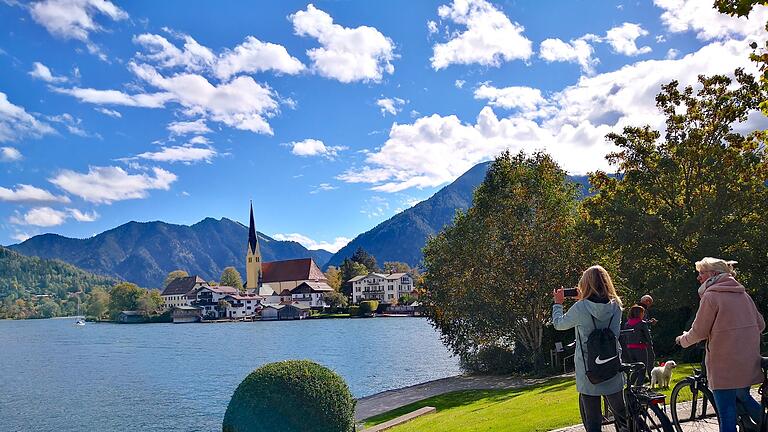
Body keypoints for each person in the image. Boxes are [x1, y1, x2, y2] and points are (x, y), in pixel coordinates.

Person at [675, 257, 765, 432]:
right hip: (747, 361)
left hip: (723, 364)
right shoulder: (743, 294)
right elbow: (760, 325)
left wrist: (682, 340)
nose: (698, 277)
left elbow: (699, 332)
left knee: (726, 414)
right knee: (742, 395)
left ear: (714, 275)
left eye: (701, 273)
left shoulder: (711, 296)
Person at [553, 265, 626, 432]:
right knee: (622, 415)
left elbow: (559, 324)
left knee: (593, 420)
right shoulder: (616, 305)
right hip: (612, 364)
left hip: (589, 371)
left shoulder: (581, 307)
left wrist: (558, 304)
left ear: (586, 284)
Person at [623, 305, 653, 384]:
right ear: (639, 313)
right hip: (640, 348)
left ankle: (630, 386)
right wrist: (650, 344)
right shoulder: (642, 323)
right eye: (643, 313)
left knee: (635, 369)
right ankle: (639, 388)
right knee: (642, 369)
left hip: (630, 348)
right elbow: (647, 336)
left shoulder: (627, 324)